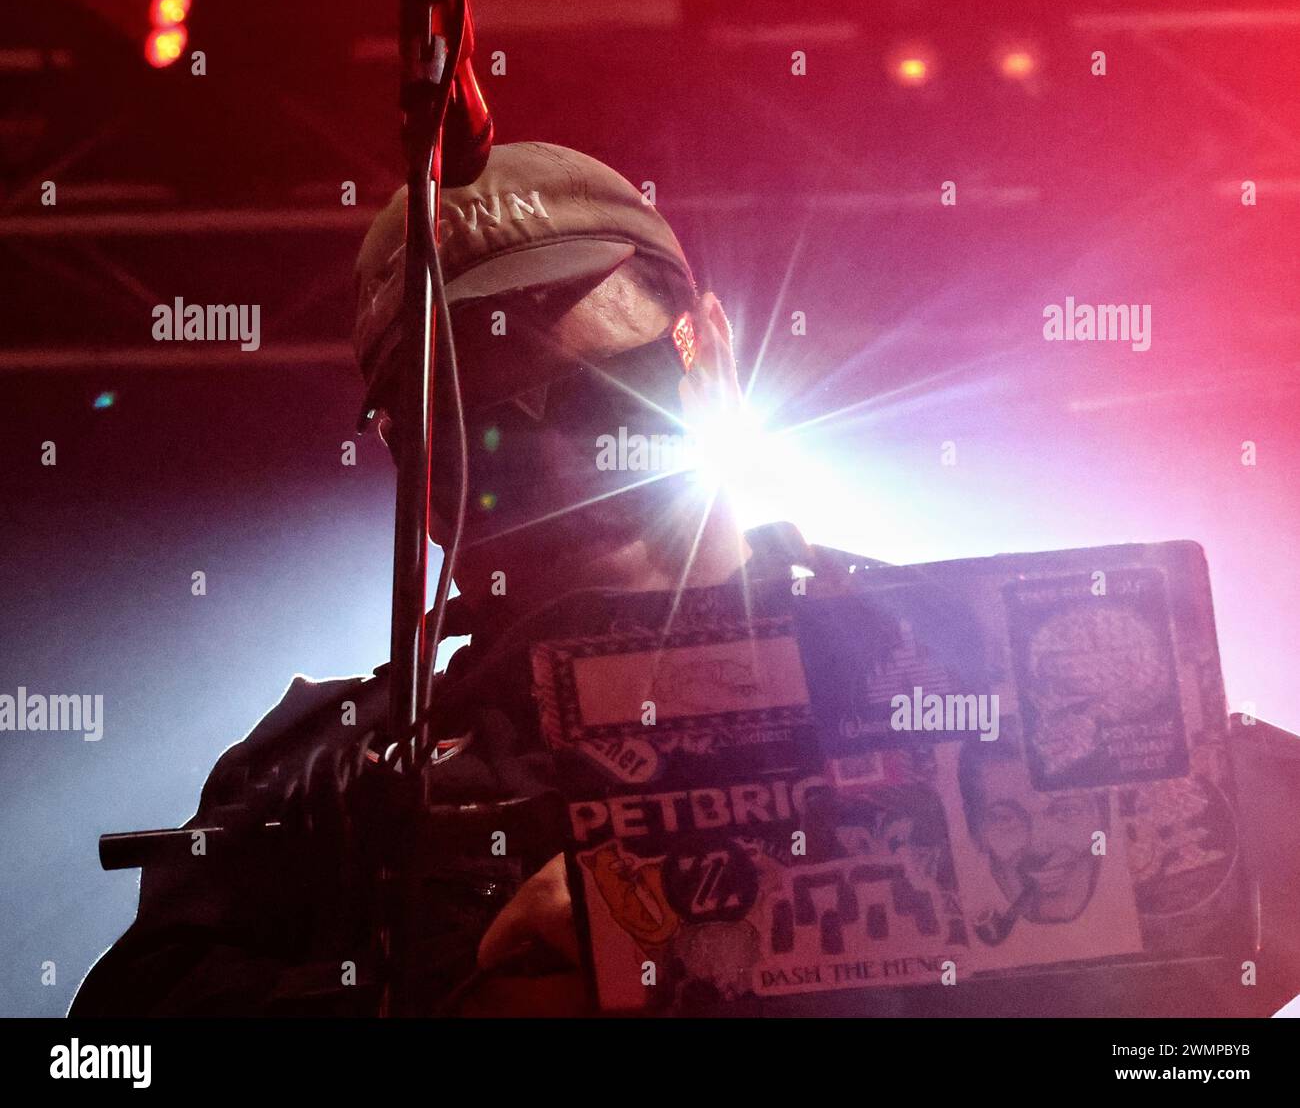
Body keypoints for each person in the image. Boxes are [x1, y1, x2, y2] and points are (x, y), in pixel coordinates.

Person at [71, 143, 1300, 1019]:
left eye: (605, 395)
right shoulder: (329, 774)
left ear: (705, 352)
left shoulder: (970, 660)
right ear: (410, 458)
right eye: (479, 432)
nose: (555, 460)